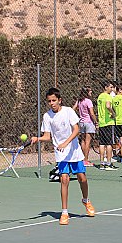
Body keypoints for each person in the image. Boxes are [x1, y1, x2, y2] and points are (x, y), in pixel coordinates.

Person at [31, 88, 95, 226]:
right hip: (61, 153)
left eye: (54, 100)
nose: (52, 103)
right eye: (49, 101)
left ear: (59, 100)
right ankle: (64, 212)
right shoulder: (47, 116)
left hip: (74, 150)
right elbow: (47, 136)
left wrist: (66, 142)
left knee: (82, 178)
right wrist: (38, 138)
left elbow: (76, 129)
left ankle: (86, 200)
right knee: (64, 179)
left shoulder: (68, 111)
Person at [73, 86, 98, 166]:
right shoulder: (88, 101)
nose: (91, 93)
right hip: (89, 122)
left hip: (82, 122)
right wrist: (96, 121)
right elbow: (92, 113)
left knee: (83, 141)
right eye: (90, 91)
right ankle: (86, 160)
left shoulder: (80, 101)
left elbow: (73, 108)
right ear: (86, 92)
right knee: (87, 142)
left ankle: (82, 159)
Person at [96, 80, 117, 170]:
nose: (112, 89)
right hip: (108, 123)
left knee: (102, 143)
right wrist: (113, 113)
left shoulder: (99, 97)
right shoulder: (108, 96)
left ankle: (101, 163)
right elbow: (108, 106)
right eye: (110, 87)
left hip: (101, 123)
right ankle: (108, 163)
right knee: (109, 144)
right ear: (106, 87)